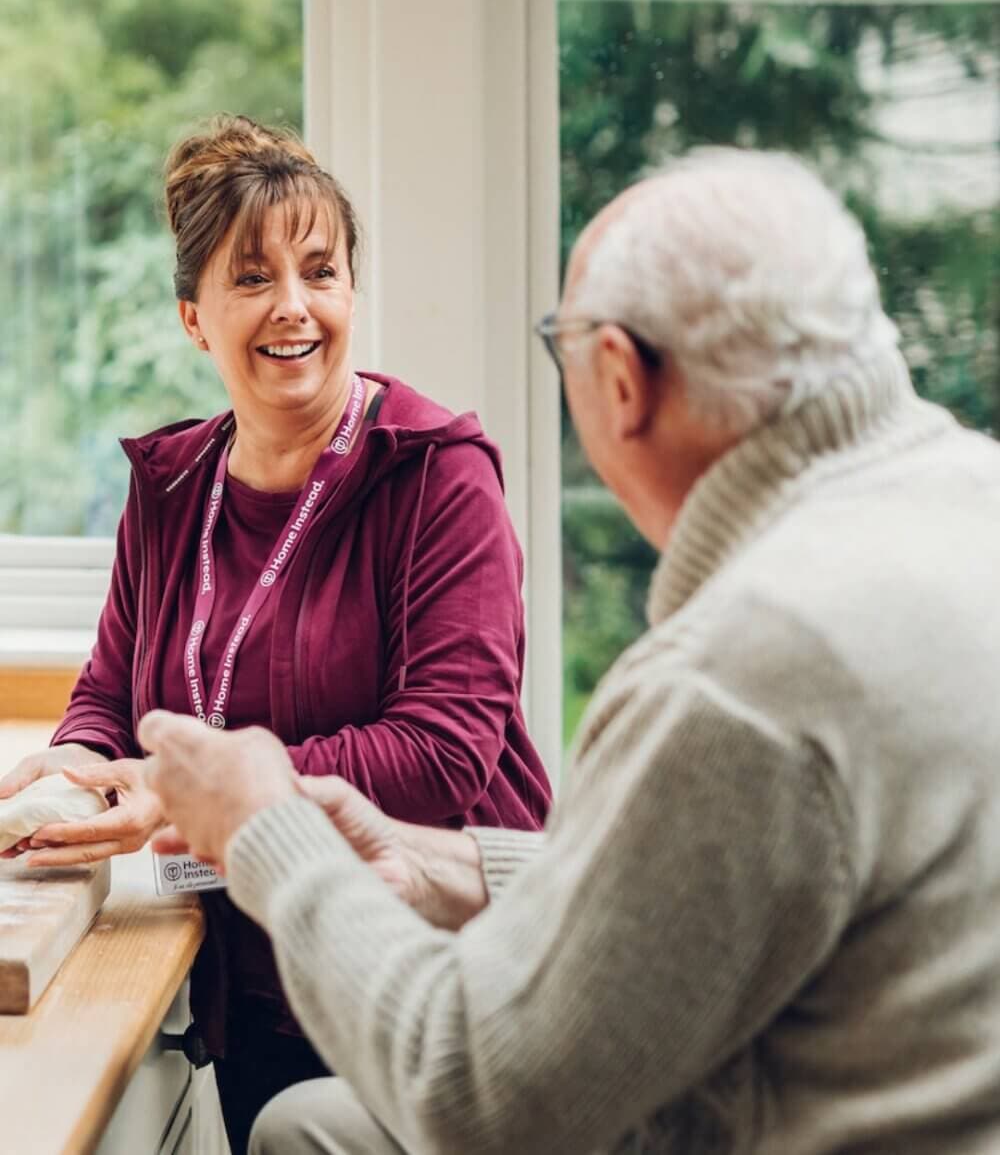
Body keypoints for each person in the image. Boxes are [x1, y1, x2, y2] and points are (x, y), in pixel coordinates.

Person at [140, 146, 1000, 1155]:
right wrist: (456, 862)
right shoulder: (967, 504)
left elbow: (477, 1093)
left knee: (300, 1132)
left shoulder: (741, 677)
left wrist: (268, 832)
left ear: (620, 379)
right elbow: (732, 878)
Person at [0, 116, 551, 1155]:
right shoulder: (171, 484)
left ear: (349, 291)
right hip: (250, 977)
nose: (293, 306)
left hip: (425, 972)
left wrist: (193, 795)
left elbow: (444, 753)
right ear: (194, 319)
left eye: (320, 269)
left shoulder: (436, 474)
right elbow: (113, 691)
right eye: (251, 277)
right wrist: (74, 765)